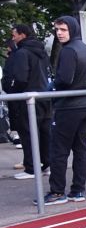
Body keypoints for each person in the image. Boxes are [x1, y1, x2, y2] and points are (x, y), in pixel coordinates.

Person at [42, 16, 86, 204]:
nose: (59, 33)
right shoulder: (85, 49)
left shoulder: (69, 50)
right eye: (57, 30)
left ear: (72, 30)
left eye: (63, 29)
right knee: (79, 148)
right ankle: (77, 190)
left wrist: (51, 87)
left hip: (68, 106)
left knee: (59, 150)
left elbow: (64, 79)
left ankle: (57, 192)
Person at [2, 24, 51, 180]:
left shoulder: (22, 53)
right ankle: (46, 165)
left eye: (14, 35)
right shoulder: (41, 51)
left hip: (28, 97)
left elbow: (21, 78)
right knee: (44, 132)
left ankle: (31, 168)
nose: (13, 38)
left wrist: (13, 91)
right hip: (44, 96)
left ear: (22, 35)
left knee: (28, 133)